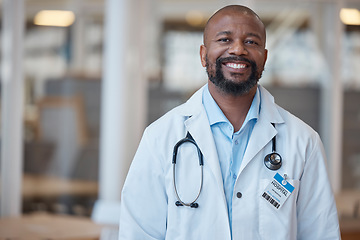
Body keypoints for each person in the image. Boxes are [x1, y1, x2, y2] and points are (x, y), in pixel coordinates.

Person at [118, 5, 340, 240]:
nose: (238, 49)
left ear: (264, 57)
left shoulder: (303, 141)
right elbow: (138, 233)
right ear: (203, 54)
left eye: (251, 42)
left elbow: (321, 233)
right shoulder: (160, 138)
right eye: (224, 39)